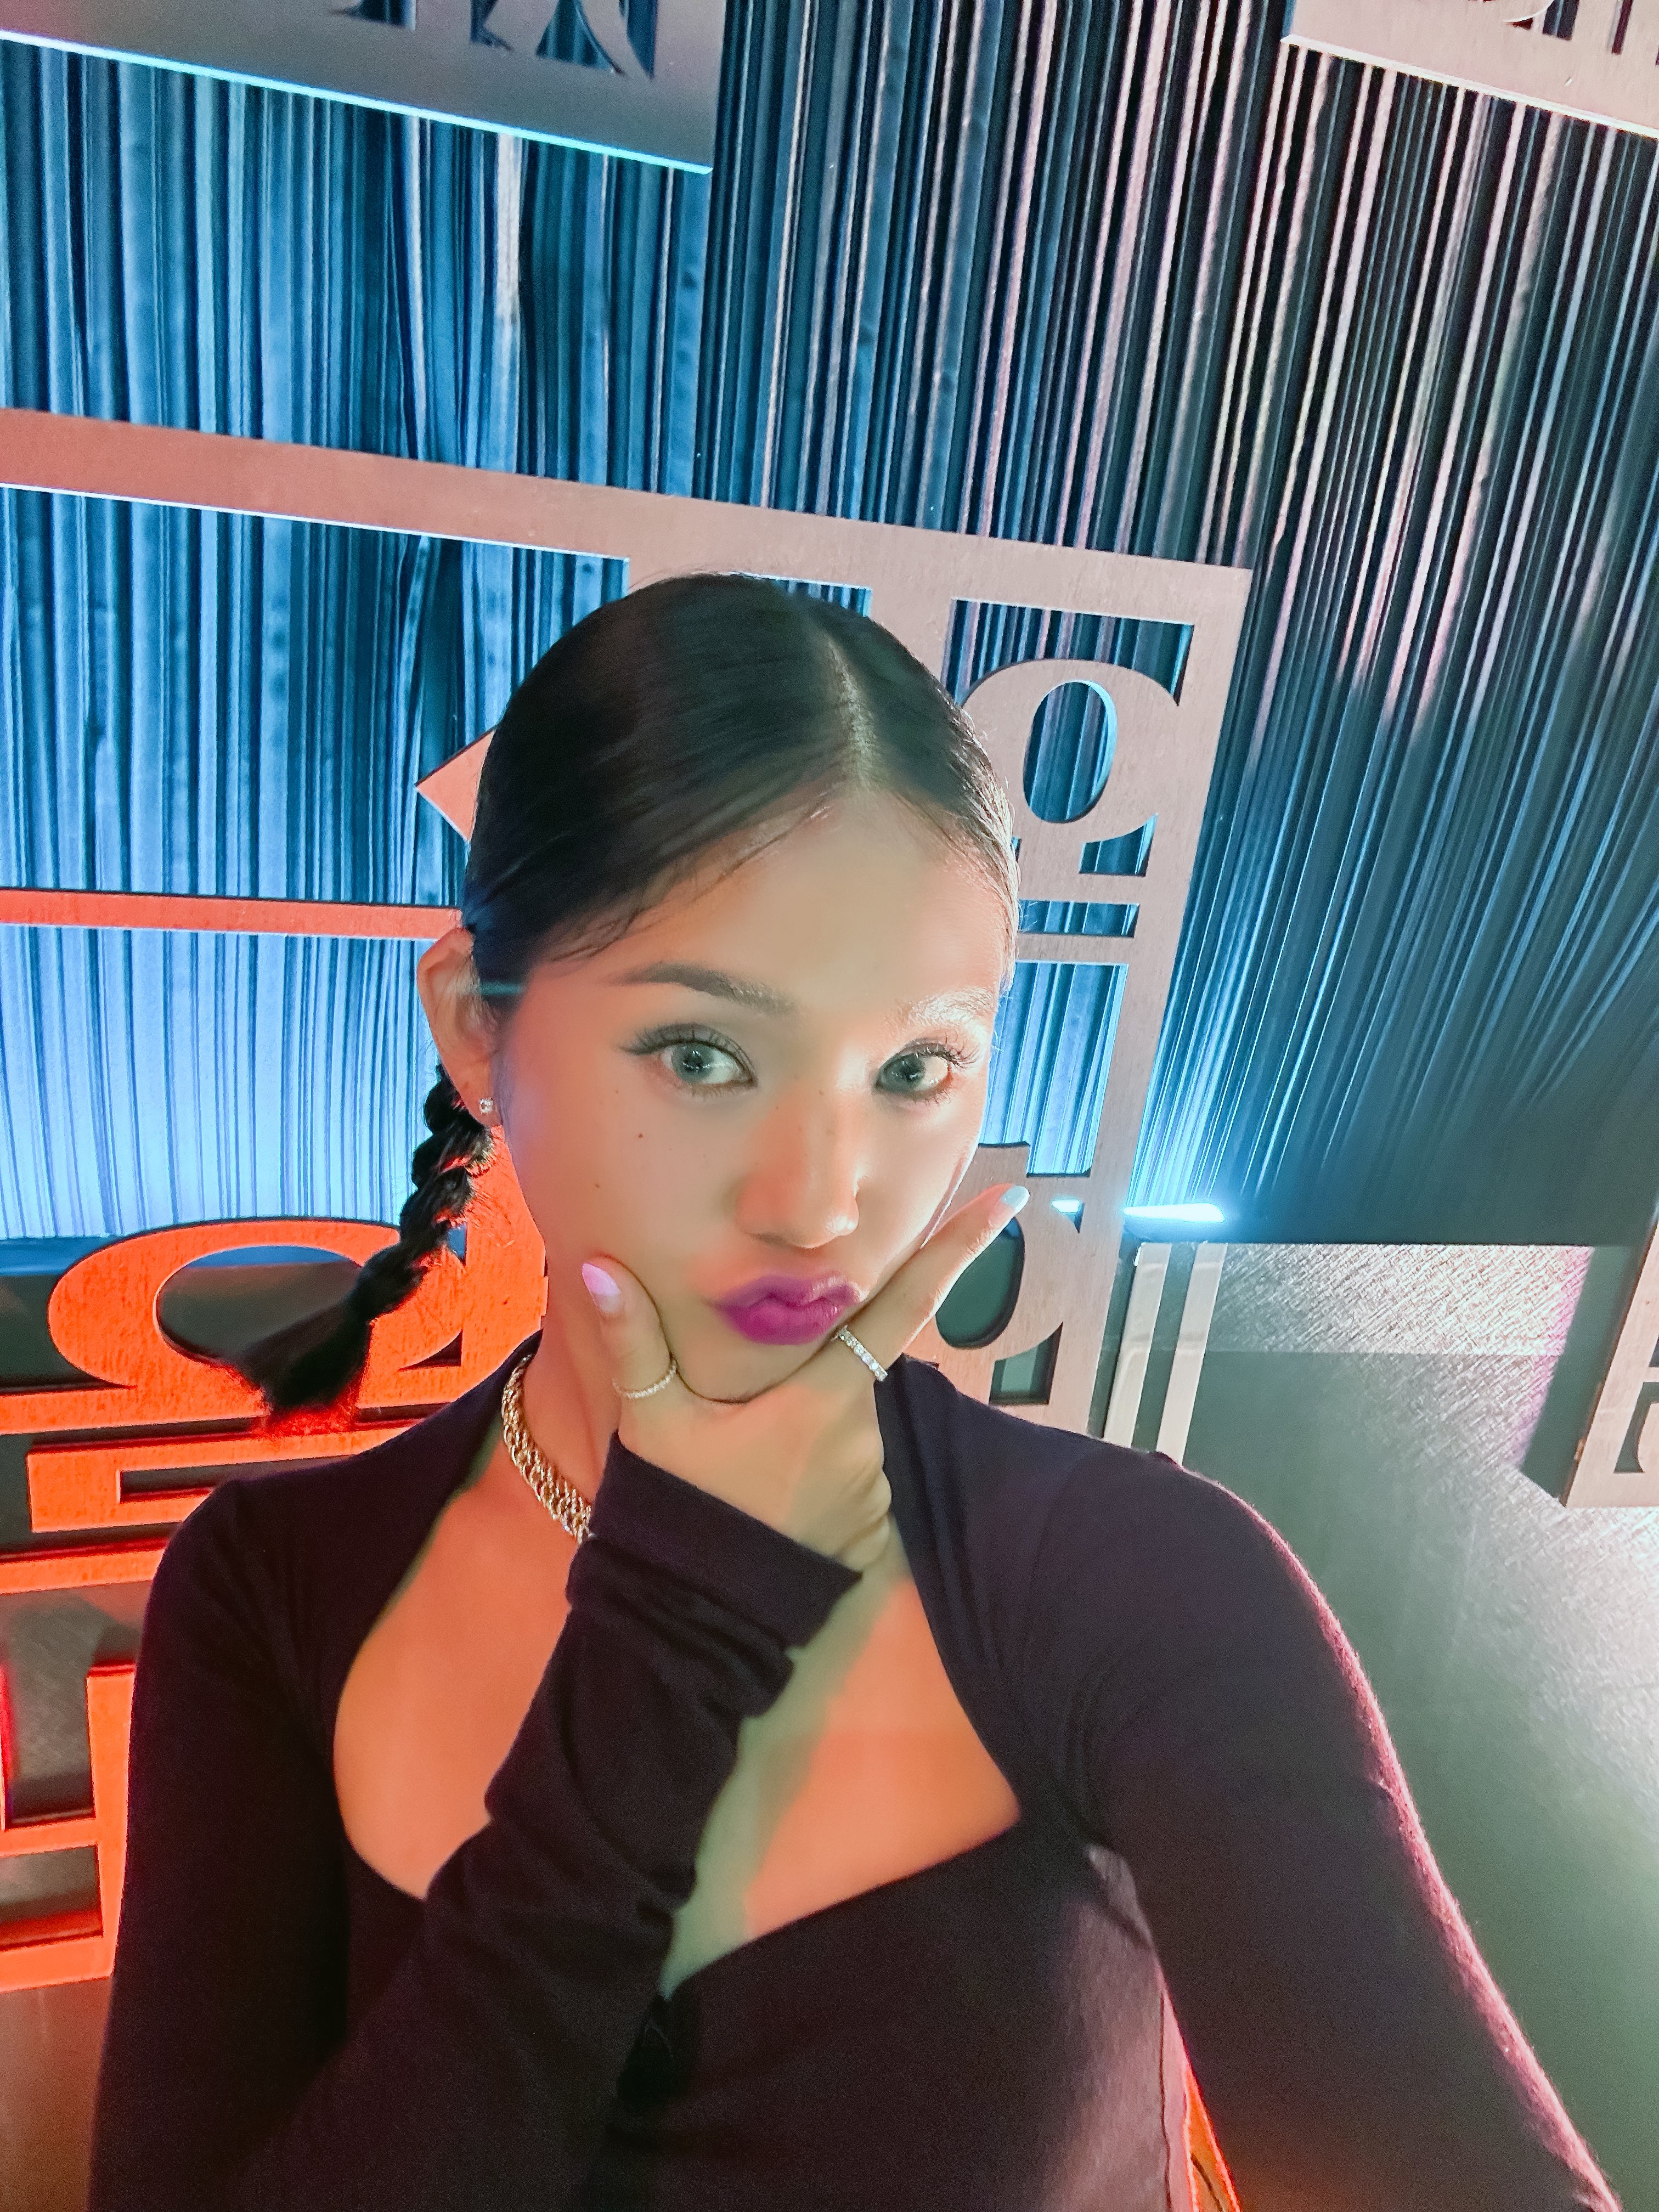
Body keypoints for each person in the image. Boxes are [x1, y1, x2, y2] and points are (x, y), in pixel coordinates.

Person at [89, 576, 1618, 2211]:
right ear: (479, 1028)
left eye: (912, 1071)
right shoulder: (274, 1592)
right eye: (702, 1054)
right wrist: (675, 1620)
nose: (820, 1200)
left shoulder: (1130, 1580)